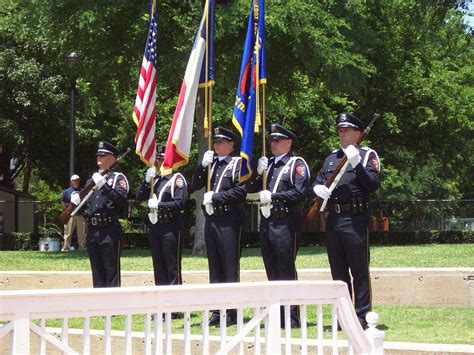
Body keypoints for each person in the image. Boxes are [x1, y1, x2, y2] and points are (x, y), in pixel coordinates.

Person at [312, 112, 381, 329]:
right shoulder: (331, 157)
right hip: (333, 219)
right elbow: (320, 179)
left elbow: (372, 184)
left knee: (359, 270)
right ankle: (342, 315)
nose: (342, 134)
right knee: (338, 271)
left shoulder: (368, 155)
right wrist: (318, 188)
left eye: (346, 130)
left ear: (358, 133)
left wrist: (356, 164)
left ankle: (362, 317)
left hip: (355, 219)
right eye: (340, 131)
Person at [247, 123, 310, 328]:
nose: (273, 144)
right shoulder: (269, 165)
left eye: (277, 140)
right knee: (271, 267)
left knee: (286, 267)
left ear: (288, 142)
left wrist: (274, 196)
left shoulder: (295, 164)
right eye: (272, 140)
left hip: (286, 221)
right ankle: (276, 313)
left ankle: (291, 317)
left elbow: (299, 193)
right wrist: (258, 172)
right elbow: (249, 188)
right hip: (267, 220)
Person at [190, 126, 246, 327]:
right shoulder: (211, 165)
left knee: (229, 266)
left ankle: (231, 311)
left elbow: (241, 191)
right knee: (214, 266)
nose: (216, 145)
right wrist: (202, 166)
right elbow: (194, 185)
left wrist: (217, 196)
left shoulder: (239, 163)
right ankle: (216, 310)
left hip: (229, 219)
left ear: (231, 145)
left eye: (221, 142)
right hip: (212, 219)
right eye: (215, 142)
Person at [71, 141, 129, 288]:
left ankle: (111, 306)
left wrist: (105, 186)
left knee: (111, 268)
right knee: (96, 269)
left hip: (109, 229)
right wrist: (78, 200)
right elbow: (88, 205)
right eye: (98, 155)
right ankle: (99, 304)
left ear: (112, 159)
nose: (99, 158)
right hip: (93, 230)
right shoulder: (92, 180)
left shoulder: (118, 178)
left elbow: (122, 200)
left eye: (103, 155)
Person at [136, 146, 187, 289]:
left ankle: (174, 307)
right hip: (155, 226)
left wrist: (160, 205)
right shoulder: (156, 180)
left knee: (172, 265)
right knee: (158, 266)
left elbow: (180, 203)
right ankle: (161, 305)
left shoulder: (177, 179)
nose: (158, 162)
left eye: (161, 159)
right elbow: (139, 197)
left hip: (171, 226)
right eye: (157, 159)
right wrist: (146, 182)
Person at [60, 174, 86, 251]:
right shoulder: (67, 191)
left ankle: (82, 247)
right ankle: (65, 248)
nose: (76, 182)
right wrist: (66, 210)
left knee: (82, 233)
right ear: (71, 181)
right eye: (74, 180)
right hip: (70, 215)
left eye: (77, 180)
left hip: (80, 214)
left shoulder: (82, 191)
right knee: (68, 232)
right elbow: (62, 201)